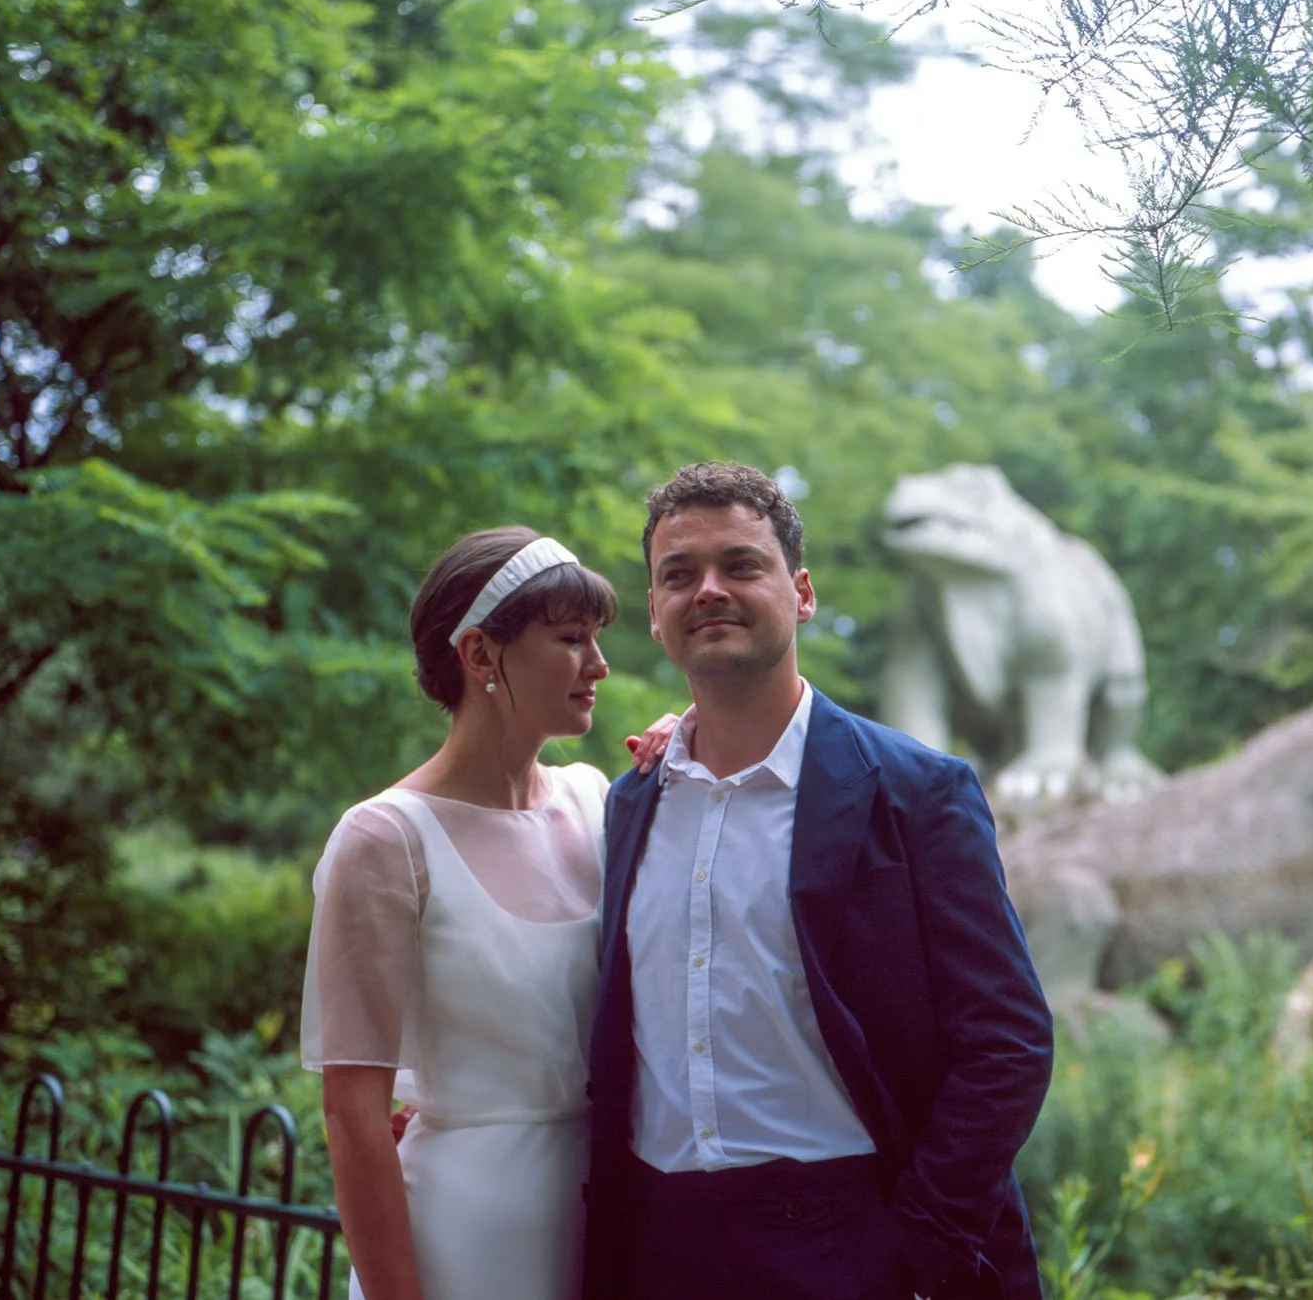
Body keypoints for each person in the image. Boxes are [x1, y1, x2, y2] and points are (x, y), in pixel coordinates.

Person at [583, 463, 1055, 1300]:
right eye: (678, 575)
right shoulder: (631, 804)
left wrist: (916, 1243)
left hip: (849, 1238)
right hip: (659, 1243)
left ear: (800, 592)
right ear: (655, 615)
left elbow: (1007, 1041)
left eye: (741, 565)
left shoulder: (916, 792)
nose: (709, 591)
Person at [301, 526, 674, 1300]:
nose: (599, 665)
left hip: (609, 1220)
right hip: (465, 1238)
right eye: (571, 639)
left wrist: (694, 750)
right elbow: (354, 1113)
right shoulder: (387, 840)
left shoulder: (596, 799)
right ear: (479, 655)